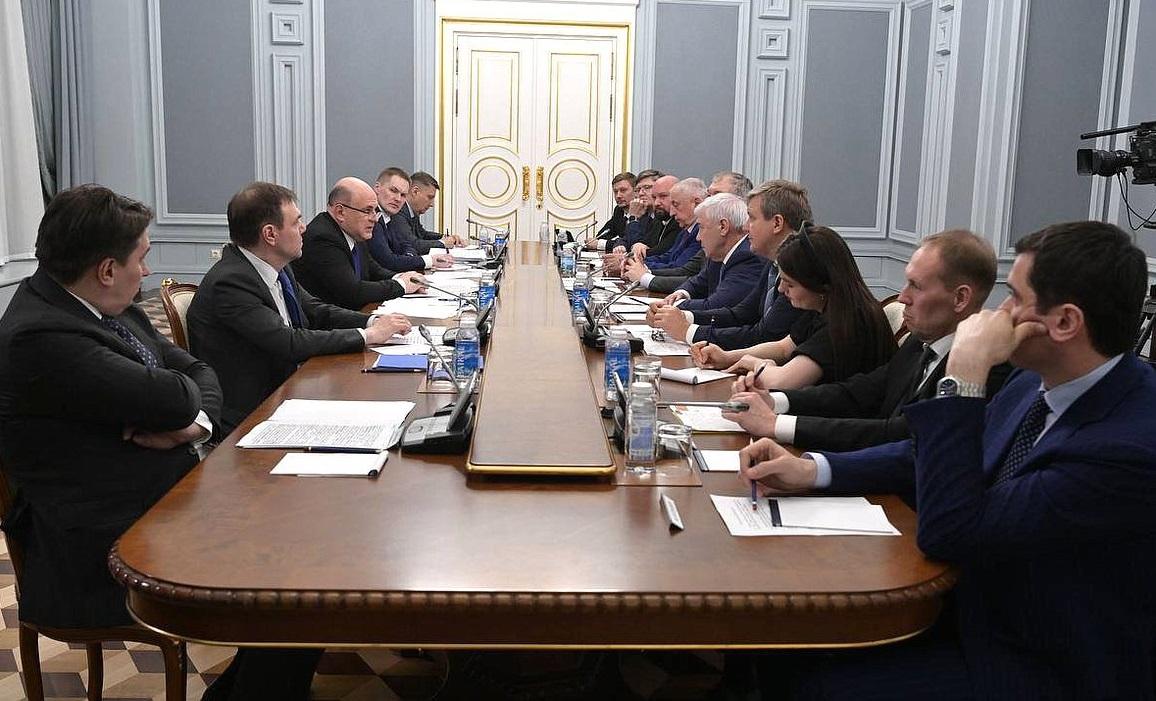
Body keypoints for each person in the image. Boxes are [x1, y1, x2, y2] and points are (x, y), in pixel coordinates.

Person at [743, 221, 1156, 699]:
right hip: (970, 608)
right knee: (778, 639)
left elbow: (952, 531)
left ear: (1064, 322)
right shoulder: (1035, 381)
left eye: (1014, 298)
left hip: (1036, 658)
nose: (999, 313)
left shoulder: (1127, 446)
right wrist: (813, 469)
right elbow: (933, 452)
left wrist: (962, 376)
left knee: (817, 680)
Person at [0, 185, 221, 629]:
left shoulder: (102, 304)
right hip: (103, 543)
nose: (147, 270)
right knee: (283, 564)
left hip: (158, 498)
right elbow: (179, 395)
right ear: (106, 269)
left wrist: (194, 425)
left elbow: (199, 372)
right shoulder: (40, 336)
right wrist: (186, 408)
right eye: (141, 258)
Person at [724, 229, 1010, 455]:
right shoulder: (921, 342)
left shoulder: (982, 368)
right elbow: (858, 392)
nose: (903, 296)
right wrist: (774, 401)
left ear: (960, 298)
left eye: (916, 286)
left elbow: (897, 433)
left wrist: (778, 424)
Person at [187, 181, 411, 435]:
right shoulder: (231, 282)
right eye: (296, 222)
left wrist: (373, 322)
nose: (304, 228)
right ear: (270, 234)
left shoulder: (276, 267)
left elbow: (316, 310)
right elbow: (288, 342)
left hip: (290, 388)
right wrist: (368, 336)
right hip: (254, 413)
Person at [694, 224, 896, 390]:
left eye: (790, 284)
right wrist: (727, 357)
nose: (781, 289)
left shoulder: (846, 323)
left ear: (820, 284)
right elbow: (783, 348)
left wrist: (757, 364)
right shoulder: (825, 306)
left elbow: (783, 381)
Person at [678, 179, 811, 348]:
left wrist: (689, 332)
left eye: (752, 218)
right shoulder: (773, 262)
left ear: (777, 223)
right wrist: (685, 317)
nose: (746, 227)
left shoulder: (802, 269)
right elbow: (742, 314)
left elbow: (765, 335)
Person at [292, 177, 425, 310]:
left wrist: (402, 278)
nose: (374, 219)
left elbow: (373, 269)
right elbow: (352, 292)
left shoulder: (353, 231)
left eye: (375, 211)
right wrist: (401, 285)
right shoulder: (322, 238)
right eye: (367, 211)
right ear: (340, 212)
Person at [644, 194, 762, 342]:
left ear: (723, 227)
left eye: (701, 227)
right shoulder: (719, 251)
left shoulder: (748, 256)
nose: (698, 237)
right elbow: (697, 282)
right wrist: (680, 294)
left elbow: (717, 305)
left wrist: (671, 308)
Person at [626, 170, 754, 294]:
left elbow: (687, 272)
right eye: (709, 195)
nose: (707, 200)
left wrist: (644, 275)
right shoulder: (701, 235)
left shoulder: (746, 251)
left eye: (716, 195)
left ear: (740, 202)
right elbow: (698, 281)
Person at [367, 168, 458, 271]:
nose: (398, 199)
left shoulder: (389, 214)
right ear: (377, 188)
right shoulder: (373, 218)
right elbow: (389, 261)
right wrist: (430, 259)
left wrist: (409, 256)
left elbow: (406, 245)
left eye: (403, 195)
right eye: (393, 191)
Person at [585, 171, 636, 250]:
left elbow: (630, 243)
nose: (618, 196)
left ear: (636, 191)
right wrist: (594, 241)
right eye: (615, 191)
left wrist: (601, 244)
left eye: (623, 190)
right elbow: (603, 234)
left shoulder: (643, 212)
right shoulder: (619, 210)